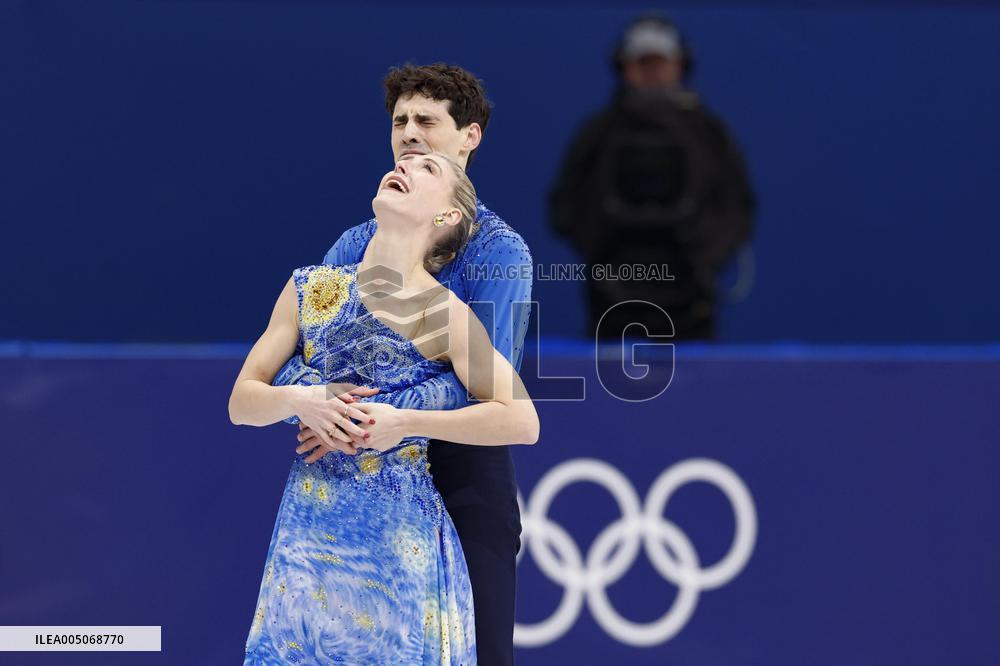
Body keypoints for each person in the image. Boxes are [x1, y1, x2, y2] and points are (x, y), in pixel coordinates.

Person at [229, 152, 540, 664]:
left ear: (447, 216)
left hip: (400, 552)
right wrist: (302, 400)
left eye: (428, 170)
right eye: (404, 161)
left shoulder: (444, 313)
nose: (406, 165)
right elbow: (242, 402)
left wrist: (406, 423)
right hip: (306, 543)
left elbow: (522, 420)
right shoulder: (310, 289)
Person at [293, 63, 532, 666]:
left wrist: (389, 411)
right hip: (360, 477)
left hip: (461, 473)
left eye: (426, 120)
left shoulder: (499, 252)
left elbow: (490, 390)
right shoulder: (353, 245)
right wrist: (320, 403)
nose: (408, 133)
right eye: (400, 121)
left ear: (469, 136)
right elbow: (311, 354)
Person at [550, 13, 754, 340]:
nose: (652, 73)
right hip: (612, 298)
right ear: (624, 67)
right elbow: (565, 207)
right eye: (643, 63)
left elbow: (737, 205)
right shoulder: (596, 133)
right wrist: (604, 260)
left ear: (680, 65)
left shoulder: (710, 134)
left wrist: (704, 261)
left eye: (660, 63)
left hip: (692, 299)